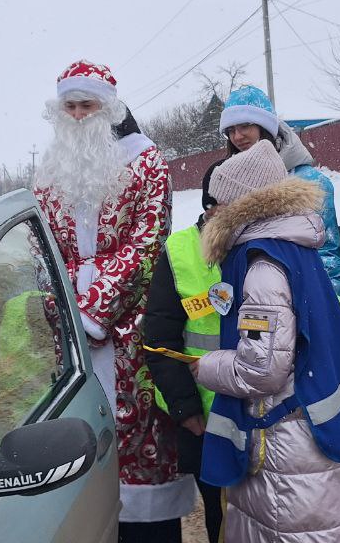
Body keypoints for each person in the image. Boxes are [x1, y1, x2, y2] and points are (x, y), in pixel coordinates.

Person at [192, 140, 340, 543]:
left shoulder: (261, 267)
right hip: (307, 431)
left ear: (239, 206)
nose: (211, 213)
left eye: (218, 203)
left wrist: (206, 367)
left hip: (284, 445)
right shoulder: (295, 249)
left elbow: (261, 369)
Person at [33, 60, 193, 542]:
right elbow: (43, 250)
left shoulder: (147, 163)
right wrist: (63, 309)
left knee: (141, 450)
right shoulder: (49, 171)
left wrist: (95, 310)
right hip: (74, 341)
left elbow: (147, 243)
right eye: (71, 105)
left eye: (89, 104)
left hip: (130, 331)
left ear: (109, 108)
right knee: (81, 445)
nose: (80, 114)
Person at [142, 160, 225, 543]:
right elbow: (160, 340)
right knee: (220, 514)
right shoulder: (179, 252)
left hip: (261, 416)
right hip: (207, 419)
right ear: (209, 206)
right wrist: (187, 410)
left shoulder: (259, 245)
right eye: (219, 206)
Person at [219, 85, 340, 298]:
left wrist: (328, 310)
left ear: (265, 127)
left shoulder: (308, 182)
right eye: (230, 131)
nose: (237, 136)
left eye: (244, 126)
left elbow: (327, 254)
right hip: (251, 301)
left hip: (301, 298)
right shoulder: (230, 183)